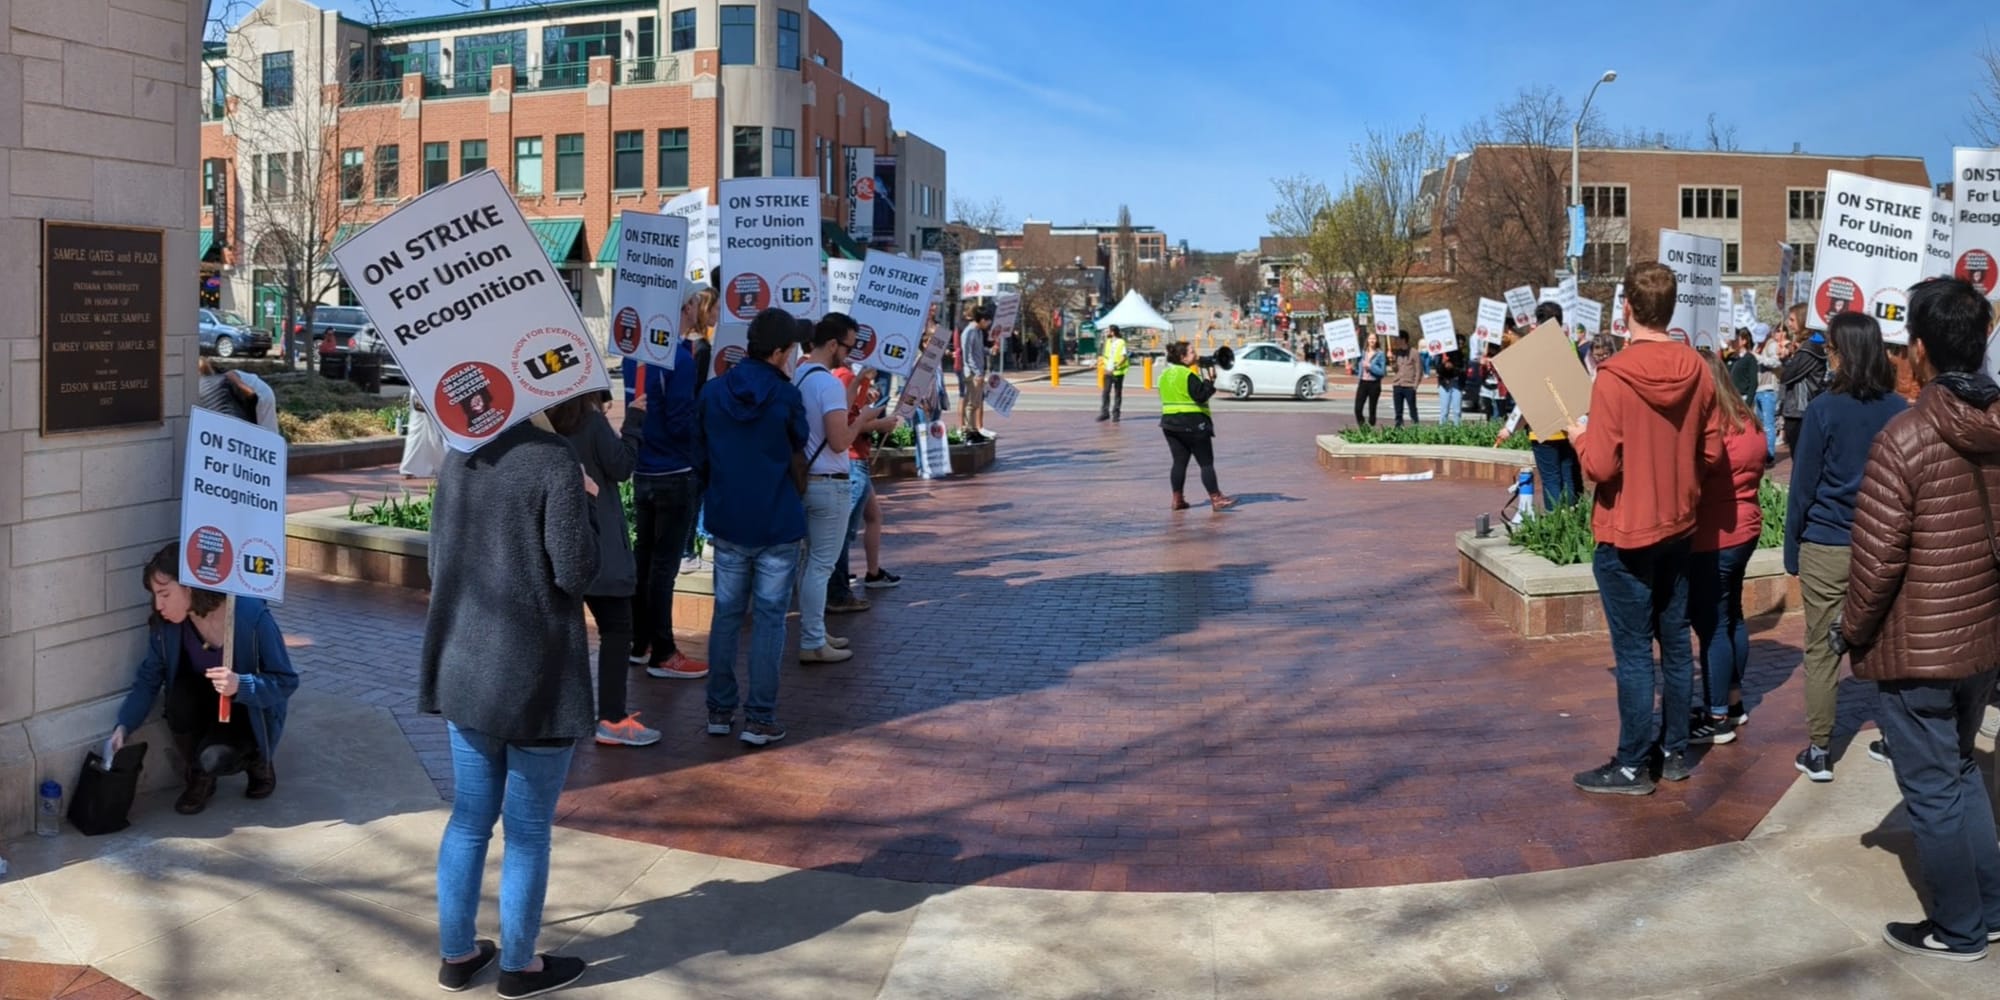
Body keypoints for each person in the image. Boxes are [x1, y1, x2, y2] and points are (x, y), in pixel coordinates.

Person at [1836, 276, 2000, 961]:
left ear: (1922, 351)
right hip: (1981, 641)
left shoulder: (1901, 439)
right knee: (1961, 774)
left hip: (1917, 652)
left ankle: (1960, 928)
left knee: (1934, 790)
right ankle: (1988, 910)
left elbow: (1874, 564)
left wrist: (1851, 631)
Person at [422, 394, 601, 998]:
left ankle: (457, 955)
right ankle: (520, 966)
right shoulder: (554, 459)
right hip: (537, 677)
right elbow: (574, 570)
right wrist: (584, 502)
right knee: (527, 832)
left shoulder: (460, 452)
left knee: (469, 819)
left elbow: (436, 560)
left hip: (465, 666)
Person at [1568, 261, 1723, 795]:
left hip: (1626, 532)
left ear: (1626, 308)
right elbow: (1712, 450)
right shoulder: (1699, 370)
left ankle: (1632, 764)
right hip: (1679, 527)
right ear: (1672, 308)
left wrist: (1578, 437)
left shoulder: (1612, 378)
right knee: (1676, 644)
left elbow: (1602, 468)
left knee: (1635, 654)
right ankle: (1675, 751)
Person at [1783, 311, 1907, 782]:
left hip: (1828, 543)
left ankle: (1819, 751)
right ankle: (1895, 739)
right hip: (1881, 545)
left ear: (1844, 352)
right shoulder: (1898, 408)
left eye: (1831, 348)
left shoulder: (1823, 409)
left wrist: (1792, 548)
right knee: (1884, 645)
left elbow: (1803, 486)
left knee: (1820, 648)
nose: (1827, 356)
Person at [110, 544, 297, 815]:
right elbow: (149, 678)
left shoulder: (249, 616)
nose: (158, 605)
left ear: (190, 587)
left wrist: (241, 684)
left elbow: (286, 681)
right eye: (154, 595)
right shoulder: (168, 627)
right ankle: (199, 776)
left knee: (217, 758)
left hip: (245, 709)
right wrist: (124, 725)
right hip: (204, 705)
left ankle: (258, 759)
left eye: (164, 594)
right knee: (178, 699)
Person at [699, 308, 810, 746]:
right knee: (768, 621)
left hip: (728, 517)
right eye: (793, 349)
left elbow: (701, 455)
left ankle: (719, 711)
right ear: (780, 351)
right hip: (777, 521)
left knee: (726, 617)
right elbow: (799, 444)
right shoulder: (786, 397)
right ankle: (760, 718)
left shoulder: (711, 393)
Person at [793, 313, 900, 665]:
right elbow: (840, 441)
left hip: (807, 480)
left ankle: (815, 630)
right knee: (821, 565)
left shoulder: (800, 375)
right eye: (850, 346)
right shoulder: (825, 383)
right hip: (828, 481)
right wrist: (864, 419)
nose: (852, 354)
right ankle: (811, 639)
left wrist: (856, 394)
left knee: (810, 562)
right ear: (833, 344)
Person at [565, 390, 659, 748]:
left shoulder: (541, 424)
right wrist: (634, 422)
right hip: (600, 545)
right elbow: (621, 466)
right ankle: (612, 718)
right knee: (618, 631)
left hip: (561, 546)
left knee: (568, 637)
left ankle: (567, 715)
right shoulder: (589, 421)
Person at [629, 288, 712, 682]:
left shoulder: (636, 355)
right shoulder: (678, 358)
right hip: (674, 473)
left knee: (644, 561)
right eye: (694, 303)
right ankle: (663, 650)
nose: (698, 309)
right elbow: (681, 420)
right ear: (684, 308)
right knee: (663, 568)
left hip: (643, 470)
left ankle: (640, 642)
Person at [1688, 353, 1768, 747]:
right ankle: (1734, 704)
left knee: (1713, 624)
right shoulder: (1747, 419)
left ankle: (1717, 714)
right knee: (1733, 615)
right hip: (1746, 528)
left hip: (1714, 535)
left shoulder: (1711, 426)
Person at [1496, 303, 1584, 509]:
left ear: (1538, 322)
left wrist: (1510, 428)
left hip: (1542, 428)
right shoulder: (1570, 346)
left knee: (1551, 479)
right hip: (1571, 426)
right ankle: (1572, 520)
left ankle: (1556, 525)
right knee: (1569, 475)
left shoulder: (1533, 351)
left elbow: (1526, 396)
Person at [830, 364, 900, 605]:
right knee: (843, 531)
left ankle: (870, 571)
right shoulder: (845, 376)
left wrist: (866, 397)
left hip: (856, 459)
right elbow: (849, 423)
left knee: (873, 515)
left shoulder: (847, 377)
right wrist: (880, 424)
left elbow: (853, 414)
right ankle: (838, 591)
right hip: (852, 460)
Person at [1158, 340, 1236, 511]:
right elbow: (1201, 396)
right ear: (1183, 358)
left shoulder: (1164, 375)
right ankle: (1216, 498)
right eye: (1192, 352)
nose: (1196, 355)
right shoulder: (1187, 376)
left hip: (1170, 425)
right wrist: (1209, 381)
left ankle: (1177, 500)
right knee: (1206, 463)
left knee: (1179, 463)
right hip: (1193, 425)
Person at [1779, 304, 1829, 455]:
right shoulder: (1812, 344)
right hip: (1800, 408)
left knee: (1800, 455)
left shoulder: (1810, 347)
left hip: (1800, 409)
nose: (1789, 323)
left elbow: (1788, 375)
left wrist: (1786, 359)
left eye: (1792, 320)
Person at [960, 308, 994, 441]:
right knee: (971, 403)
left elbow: (979, 350)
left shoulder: (979, 332)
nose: (989, 324)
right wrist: (977, 373)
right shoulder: (969, 332)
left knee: (976, 402)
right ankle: (969, 431)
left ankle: (974, 429)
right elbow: (967, 355)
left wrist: (990, 351)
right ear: (982, 319)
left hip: (979, 371)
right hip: (972, 373)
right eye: (988, 321)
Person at [1753, 322, 1784, 463]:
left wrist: (1759, 358)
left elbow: (1777, 362)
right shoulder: (1757, 346)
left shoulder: (1772, 345)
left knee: (1768, 424)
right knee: (1758, 424)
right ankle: (1759, 452)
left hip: (1769, 389)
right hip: (1758, 389)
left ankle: (1770, 455)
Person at [1098, 325, 1130, 422]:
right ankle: (1105, 413)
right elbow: (1105, 355)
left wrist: (1117, 366)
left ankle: (1116, 414)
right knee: (1105, 392)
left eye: (1108, 331)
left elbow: (1124, 357)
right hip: (1108, 370)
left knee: (1117, 393)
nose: (1107, 332)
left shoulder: (1121, 342)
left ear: (1113, 332)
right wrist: (1100, 363)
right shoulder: (1108, 342)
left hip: (1118, 371)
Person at [1390, 332, 1421, 428]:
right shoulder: (1396, 352)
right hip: (1397, 384)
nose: (1396, 341)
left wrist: (1415, 385)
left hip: (1409, 385)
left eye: (1398, 339)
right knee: (1398, 410)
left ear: (1404, 340)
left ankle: (1415, 427)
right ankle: (1398, 428)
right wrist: (1392, 361)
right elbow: (1395, 369)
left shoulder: (1414, 352)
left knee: (1412, 409)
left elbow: (1419, 369)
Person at [1353, 333, 1385, 427]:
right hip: (1363, 382)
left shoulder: (1380, 354)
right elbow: (1358, 368)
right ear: (1367, 340)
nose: (1372, 340)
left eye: (1374, 338)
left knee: (1372, 409)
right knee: (1358, 408)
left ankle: (1371, 428)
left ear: (1377, 340)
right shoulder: (1362, 353)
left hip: (1374, 383)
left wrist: (1371, 366)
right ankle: (1363, 427)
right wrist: (1354, 369)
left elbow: (1382, 372)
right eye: (1370, 338)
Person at [1727, 328, 1759, 407]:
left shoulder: (1750, 358)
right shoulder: (1731, 358)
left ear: (1744, 341)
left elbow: (1753, 382)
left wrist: (1748, 403)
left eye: (1735, 339)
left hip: (1742, 399)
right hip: (1730, 399)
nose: (1732, 342)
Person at [1435, 348, 1464, 426]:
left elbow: (1462, 370)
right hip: (1444, 384)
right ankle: (1442, 431)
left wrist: (1452, 367)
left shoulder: (1459, 354)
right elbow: (1438, 369)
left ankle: (1457, 429)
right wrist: (1443, 364)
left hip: (1456, 383)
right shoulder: (1440, 354)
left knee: (1457, 411)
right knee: (1444, 411)